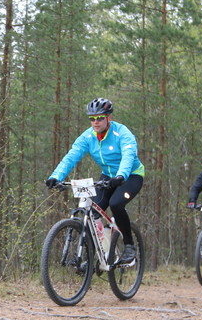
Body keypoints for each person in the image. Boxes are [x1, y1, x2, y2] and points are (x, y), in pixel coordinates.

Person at [45, 98, 145, 266]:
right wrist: (56, 176)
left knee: (116, 204)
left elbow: (128, 157)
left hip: (131, 175)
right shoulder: (88, 136)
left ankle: (129, 246)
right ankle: (97, 255)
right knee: (91, 212)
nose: (95, 122)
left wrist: (121, 176)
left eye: (99, 118)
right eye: (92, 118)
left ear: (109, 118)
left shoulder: (122, 133)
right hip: (107, 176)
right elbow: (72, 156)